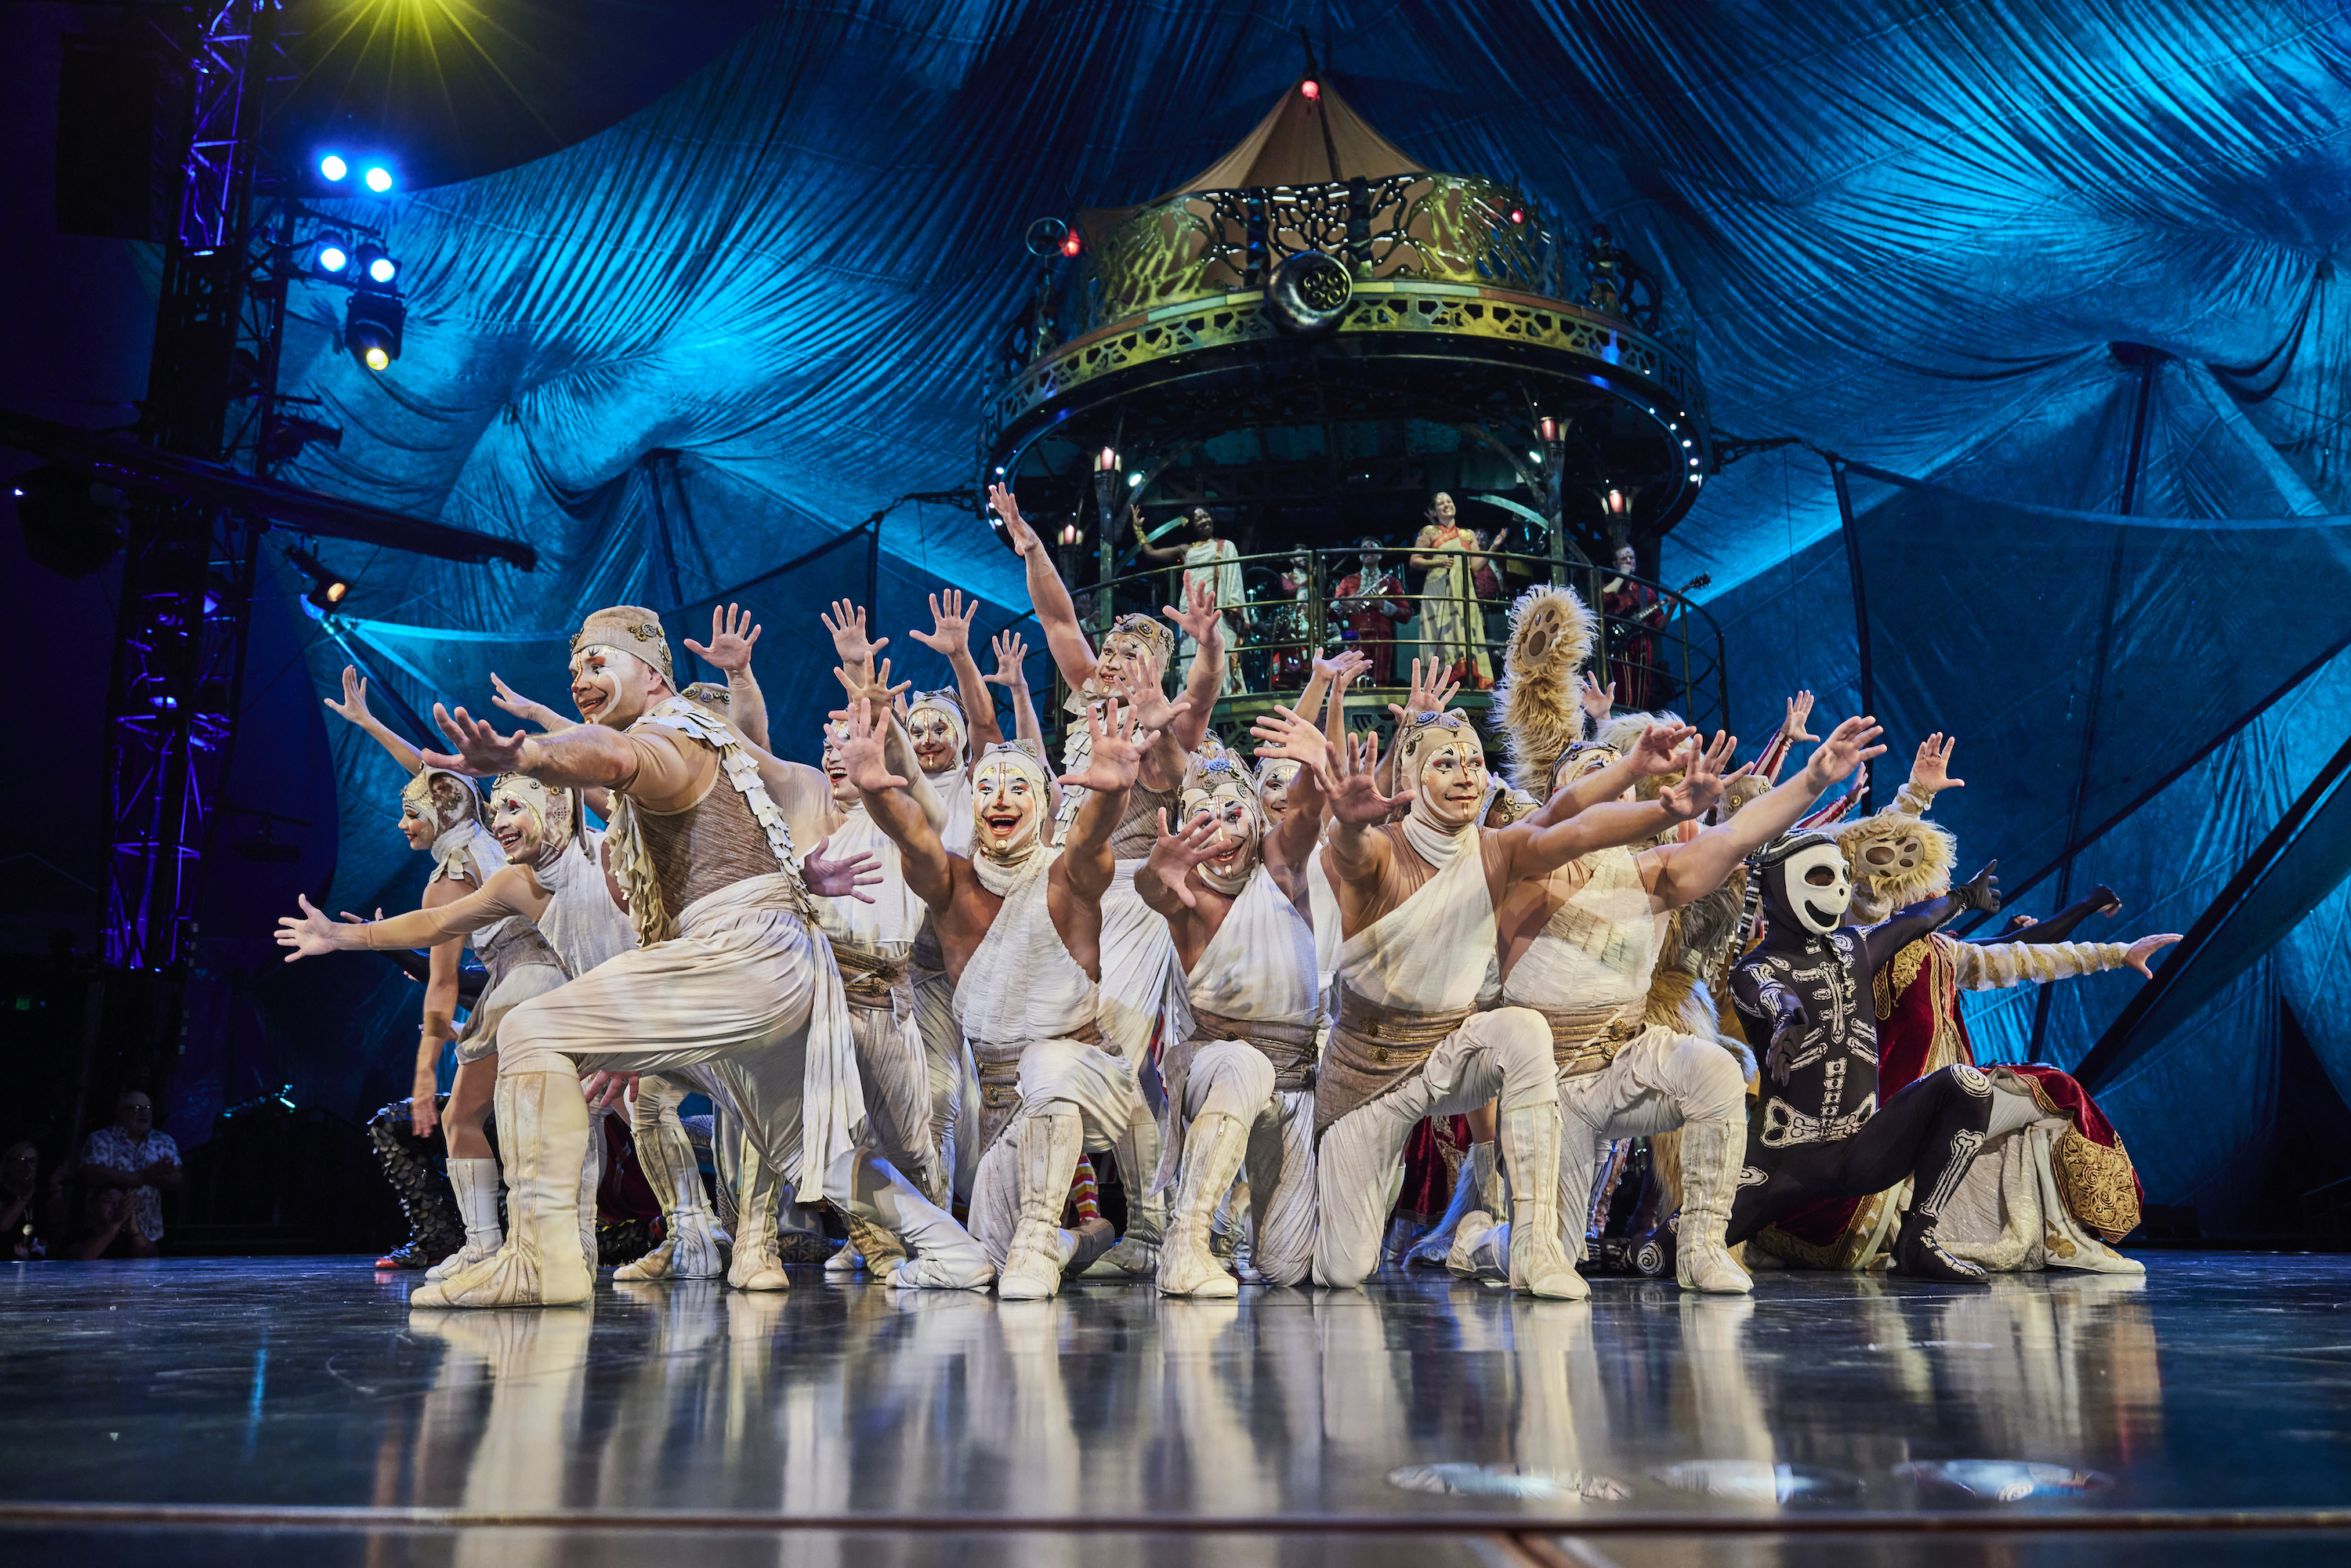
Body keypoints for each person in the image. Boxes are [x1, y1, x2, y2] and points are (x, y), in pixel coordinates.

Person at [387, 604, 989, 1306]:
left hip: (746, 953)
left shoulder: (664, 734)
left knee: (530, 1028)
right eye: (576, 664)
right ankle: (954, 1248)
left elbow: (616, 758)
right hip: (779, 960)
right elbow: (747, 787)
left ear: (651, 674)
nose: (582, 676)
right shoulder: (716, 740)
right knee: (816, 1153)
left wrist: (528, 755)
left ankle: (540, 1261)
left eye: (599, 661)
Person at [1463, 589, 1896, 1297]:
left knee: (1716, 1071)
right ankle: (1485, 1239)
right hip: (1552, 1083)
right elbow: (1565, 819)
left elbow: (1737, 834)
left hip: (1627, 1056)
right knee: (1548, 1255)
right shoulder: (1519, 868)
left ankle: (1701, 1241)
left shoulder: (1652, 873)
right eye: (1582, 792)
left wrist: (1813, 777)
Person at [1306, 704, 1726, 1296]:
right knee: (1340, 1269)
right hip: (1372, 1075)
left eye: (1475, 761)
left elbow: (1568, 820)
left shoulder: (1495, 848)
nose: (1466, 773)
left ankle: (1531, 1245)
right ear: (1410, 778)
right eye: (1445, 763)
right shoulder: (1381, 848)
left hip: (1452, 1054)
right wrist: (1347, 824)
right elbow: (1351, 853)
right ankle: (1456, 1230)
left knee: (1524, 1029)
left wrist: (1640, 776)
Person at [837, 696, 1165, 1298]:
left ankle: (1044, 1238)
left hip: (1088, 1077)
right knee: (986, 1259)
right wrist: (873, 789)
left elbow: (1091, 840)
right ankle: (1075, 1240)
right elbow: (913, 837)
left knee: (1048, 1067)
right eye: (986, 787)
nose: (999, 797)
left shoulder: (1066, 873)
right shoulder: (954, 884)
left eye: (1018, 787)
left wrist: (1115, 792)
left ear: (1041, 809)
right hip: (1000, 1097)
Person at [1724, 832, 2021, 1280]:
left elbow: (1917, 919)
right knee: (1666, 1252)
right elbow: (1771, 994)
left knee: (1968, 1085)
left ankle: (1919, 1238)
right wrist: (1786, 1020)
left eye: (1843, 876)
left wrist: (1964, 896)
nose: (1840, 889)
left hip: (1860, 1151)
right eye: (1822, 876)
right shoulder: (1755, 969)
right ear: (1777, 886)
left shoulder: (1853, 948)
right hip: (1781, 1164)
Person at [1136, 727, 1333, 1294]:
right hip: (1217, 1065)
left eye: (1231, 815)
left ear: (1255, 817)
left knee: (1289, 1267)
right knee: (1246, 1066)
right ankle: (1186, 1239)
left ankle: (1234, 1223)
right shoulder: (1189, 893)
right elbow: (1155, 889)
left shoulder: (1281, 871)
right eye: (1202, 820)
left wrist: (1318, 764)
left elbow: (1306, 814)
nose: (1219, 832)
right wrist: (1156, 872)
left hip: (1295, 1081)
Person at [1134, 505, 1249, 693]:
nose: (1204, 521)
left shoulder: (1225, 546)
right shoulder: (1185, 550)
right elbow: (1152, 553)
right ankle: (1193, 697)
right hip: (1191, 609)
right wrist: (1137, 529)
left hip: (1216, 611)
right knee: (1192, 655)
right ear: (1192, 525)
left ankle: (1223, 695)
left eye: (1206, 516)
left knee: (1219, 653)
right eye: (1198, 519)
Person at [74, 1091, 180, 1258]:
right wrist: (143, 1177)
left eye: (147, 1108)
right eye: (136, 1108)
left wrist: (162, 1175)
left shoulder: (164, 1142)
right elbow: (93, 1174)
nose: (144, 1113)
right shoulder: (100, 1139)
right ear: (120, 1112)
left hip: (148, 1232)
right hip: (104, 1232)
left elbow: (177, 1180)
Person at [1407, 494, 1495, 689]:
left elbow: (1477, 565)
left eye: (1449, 501)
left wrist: (1494, 548)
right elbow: (1414, 560)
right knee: (1442, 635)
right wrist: (1438, 561)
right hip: (1438, 588)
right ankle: (1440, 683)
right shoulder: (1429, 531)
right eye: (1440, 503)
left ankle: (1468, 680)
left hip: (1463, 590)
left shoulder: (1467, 534)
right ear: (1433, 511)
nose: (1447, 505)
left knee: (1465, 632)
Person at [1330, 538, 1411, 686]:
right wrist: (1344, 601)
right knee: (1353, 680)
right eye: (1364, 548)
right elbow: (1330, 615)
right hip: (1355, 637)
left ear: (1380, 555)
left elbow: (1406, 615)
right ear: (1360, 556)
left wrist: (1382, 603)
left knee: (1380, 681)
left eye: (1372, 548)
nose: (1368, 550)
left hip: (1382, 637)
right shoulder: (1348, 582)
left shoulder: (1392, 582)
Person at [1600, 541, 1667, 710]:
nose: (1629, 561)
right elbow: (1602, 599)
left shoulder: (1645, 592)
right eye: (1624, 558)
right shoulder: (1610, 587)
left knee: (1642, 688)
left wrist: (1672, 606)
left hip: (1642, 645)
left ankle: (1637, 717)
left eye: (1631, 557)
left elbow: (1658, 625)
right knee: (1622, 686)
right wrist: (1621, 576)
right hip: (1619, 646)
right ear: (1615, 563)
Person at [2, 1142, 67, 1260]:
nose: (28, 1166)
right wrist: (24, 1198)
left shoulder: (39, 1194)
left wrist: (55, 1187)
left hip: (32, 1265)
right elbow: (2, 1226)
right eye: (22, 1159)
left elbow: (57, 1223)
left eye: (33, 1161)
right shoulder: (3, 1192)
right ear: (8, 1165)